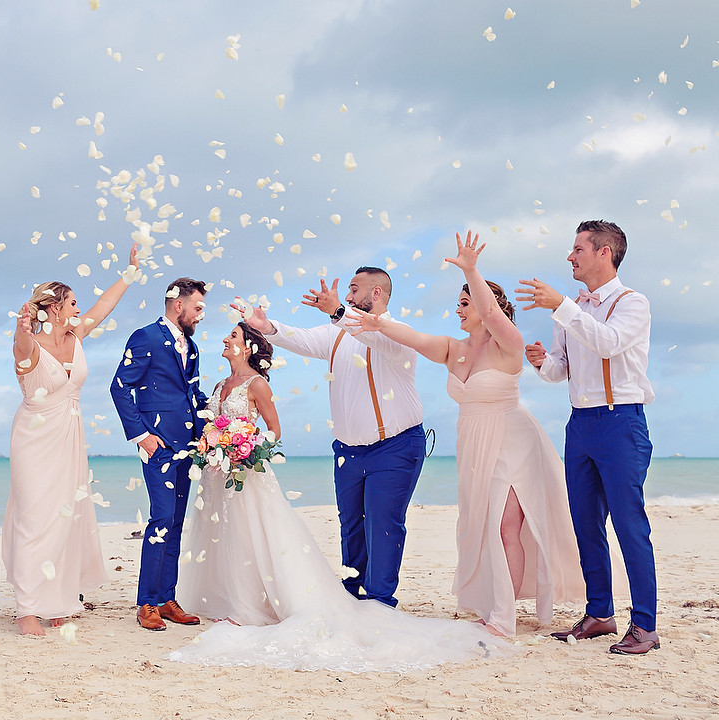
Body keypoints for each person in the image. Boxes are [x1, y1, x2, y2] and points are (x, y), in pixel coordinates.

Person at [168, 322, 507, 673]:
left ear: (250, 346)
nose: (226, 339)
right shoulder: (221, 385)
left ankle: (262, 603)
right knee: (224, 532)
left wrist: (243, 448)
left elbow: (272, 431)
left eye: (233, 336)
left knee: (257, 532)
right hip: (217, 472)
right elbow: (211, 423)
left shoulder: (258, 385)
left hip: (246, 470)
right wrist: (211, 441)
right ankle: (227, 594)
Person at [347, 232, 585, 636]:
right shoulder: (453, 349)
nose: (458, 310)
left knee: (506, 525)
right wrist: (379, 324)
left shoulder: (508, 343)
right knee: (479, 524)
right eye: (458, 303)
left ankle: (505, 619)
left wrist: (472, 271)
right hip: (474, 444)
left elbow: (492, 315)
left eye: (464, 303)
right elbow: (415, 339)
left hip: (513, 442)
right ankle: (493, 604)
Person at [239, 267, 425, 608]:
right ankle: (352, 596)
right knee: (351, 525)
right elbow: (301, 338)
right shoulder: (336, 334)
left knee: (383, 526)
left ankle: (381, 601)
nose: (350, 295)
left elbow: (375, 338)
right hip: (348, 452)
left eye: (355, 289)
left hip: (395, 448)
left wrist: (339, 312)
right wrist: (266, 327)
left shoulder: (400, 334)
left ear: (378, 294)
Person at [516, 220, 659, 655]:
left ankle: (645, 627)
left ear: (604, 253)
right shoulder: (572, 309)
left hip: (622, 423)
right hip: (580, 425)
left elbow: (608, 344)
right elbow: (563, 371)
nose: (570, 256)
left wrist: (562, 306)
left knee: (630, 525)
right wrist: (542, 362)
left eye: (578, 248)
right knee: (585, 523)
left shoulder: (634, 304)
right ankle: (600, 614)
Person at [4, 243, 141, 636]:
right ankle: (27, 608)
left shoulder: (76, 335)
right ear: (53, 308)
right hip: (34, 439)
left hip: (69, 438)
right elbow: (22, 348)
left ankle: (57, 600)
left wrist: (129, 273)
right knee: (34, 517)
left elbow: (103, 306)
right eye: (72, 303)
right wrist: (21, 328)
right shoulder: (29, 345)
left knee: (65, 518)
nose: (79, 309)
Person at [111, 277, 209, 631]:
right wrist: (142, 436)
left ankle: (167, 599)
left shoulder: (192, 348)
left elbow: (193, 395)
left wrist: (207, 432)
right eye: (197, 308)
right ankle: (146, 603)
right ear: (178, 304)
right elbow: (120, 387)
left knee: (176, 524)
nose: (201, 315)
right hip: (159, 447)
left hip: (188, 449)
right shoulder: (145, 337)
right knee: (161, 519)